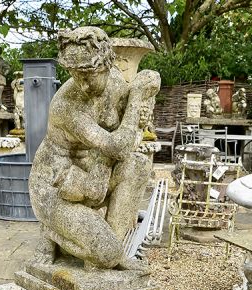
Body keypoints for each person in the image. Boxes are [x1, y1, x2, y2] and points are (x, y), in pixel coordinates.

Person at [28, 26, 160, 271]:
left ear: (107, 64)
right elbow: (118, 147)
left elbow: (130, 134)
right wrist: (137, 95)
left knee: (139, 165)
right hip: (56, 188)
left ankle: (112, 251)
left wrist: (147, 94)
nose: (84, 86)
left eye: (89, 75)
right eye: (76, 76)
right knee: (105, 253)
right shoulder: (65, 106)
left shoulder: (115, 83)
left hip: (94, 177)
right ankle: (52, 232)